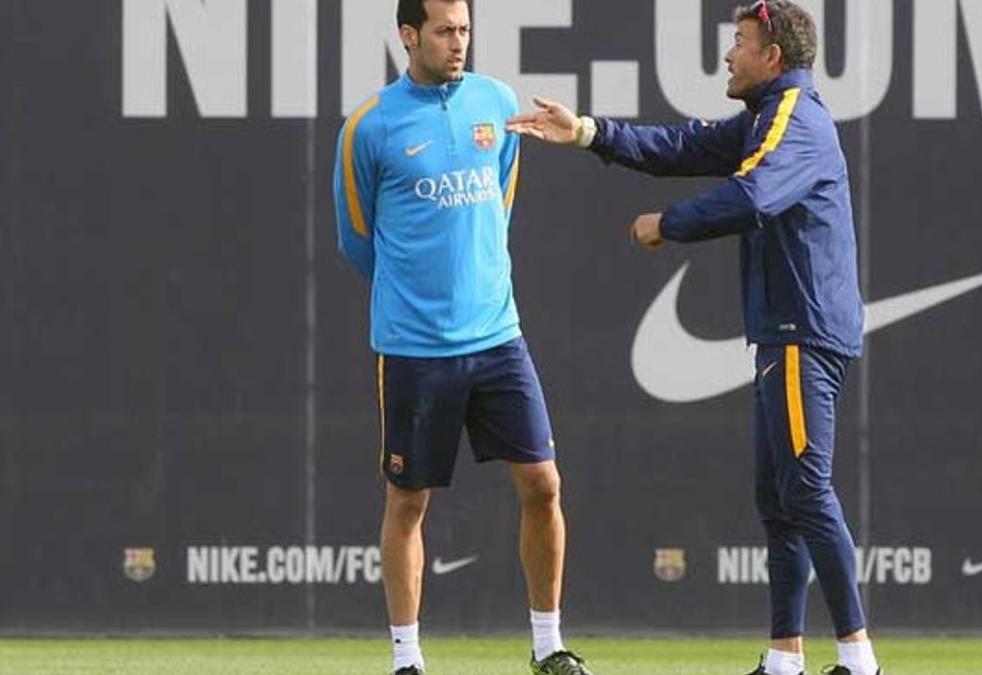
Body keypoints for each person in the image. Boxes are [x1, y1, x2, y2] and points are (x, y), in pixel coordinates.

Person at [506, 1, 881, 674]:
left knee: (807, 490)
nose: (727, 56)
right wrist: (588, 131)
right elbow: (680, 148)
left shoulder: (795, 117)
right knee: (782, 500)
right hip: (784, 330)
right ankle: (784, 657)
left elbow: (752, 195)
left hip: (803, 330)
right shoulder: (767, 119)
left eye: (739, 42)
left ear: (773, 55)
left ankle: (859, 659)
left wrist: (668, 224)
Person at [332, 1, 593, 673]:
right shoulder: (369, 126)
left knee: (543, 484)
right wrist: (416, 299)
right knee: (409, 500)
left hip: (498, 336)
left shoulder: (495, 102)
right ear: (409, 34)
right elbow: (357, 240)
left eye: (466, 30)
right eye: (445, 31)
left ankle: (547, 644)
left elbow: (499, 200)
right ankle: (407, 658)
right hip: (414, 347)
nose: (458, 43)